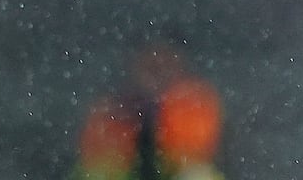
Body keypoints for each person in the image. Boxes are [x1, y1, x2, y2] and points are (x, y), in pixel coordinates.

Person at [70, 41, 225, 180]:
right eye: (151, 66)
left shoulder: (192, 103)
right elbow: (98, 158)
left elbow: (191, 154)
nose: (157, 73)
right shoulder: (115, 108)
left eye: (164, 64)